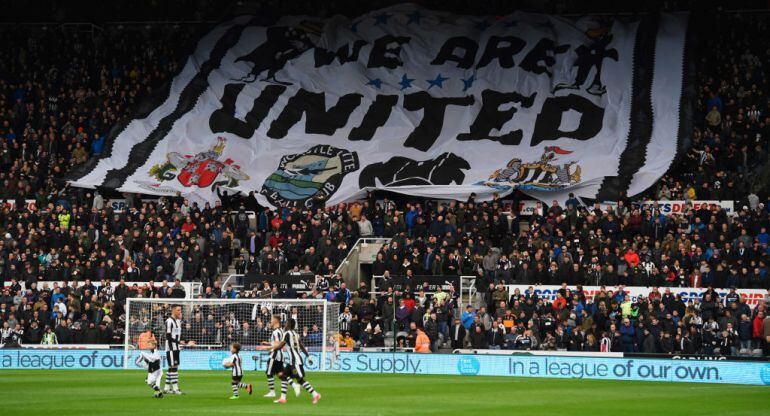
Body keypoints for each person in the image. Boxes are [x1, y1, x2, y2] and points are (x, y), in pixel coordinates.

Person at [271, 318, 321, 404]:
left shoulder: (286, 334)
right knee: (283, 375)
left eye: (286, 323)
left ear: (289, 324)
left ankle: (315, 394)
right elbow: (301, 346)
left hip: (295, 362)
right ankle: (283, 398)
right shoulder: (296, 334)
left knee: (300, 380)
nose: (285, 324)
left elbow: (280, 346)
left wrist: (272, 349)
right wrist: (308, 356)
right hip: (292, 362)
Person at [261, 316, 299, 398]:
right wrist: (268, 343)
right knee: (281, 374)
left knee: (269, 373)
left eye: (271, 320)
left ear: (275, 321)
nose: (270, 322)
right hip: (280, 356)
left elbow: (278, 344)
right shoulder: (280, 330)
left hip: (275, 355)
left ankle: (272, 392)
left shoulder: (276, 332)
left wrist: (268, 347)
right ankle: (294, 385)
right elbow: (278, 342)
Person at [164, 305, 183, 394]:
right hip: (171, 348)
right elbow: (168, 336)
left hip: (176, 347)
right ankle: (175, 389)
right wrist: (179, 342)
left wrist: (183, 342)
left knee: (172, 367)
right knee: (173, 367)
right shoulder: (169, 321)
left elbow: (177, 335)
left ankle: (166, 388)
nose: (180, 312)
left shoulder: (178, 322)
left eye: (180, 310)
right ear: (173, 311)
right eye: (178, 310)